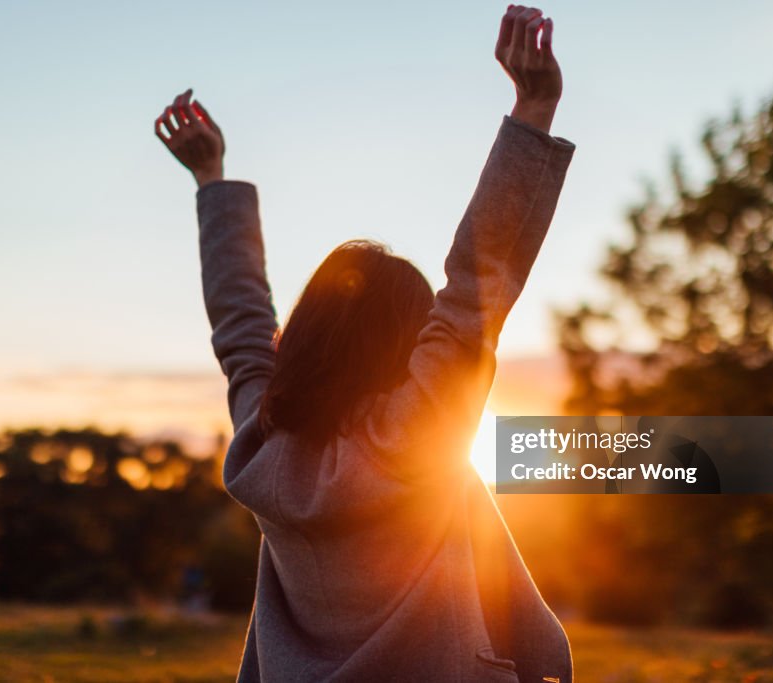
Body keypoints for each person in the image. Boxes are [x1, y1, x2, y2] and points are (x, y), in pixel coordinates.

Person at [156, 6, 575, 681]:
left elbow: (241, 329)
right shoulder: (413, 437)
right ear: (406, 349)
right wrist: (533, 107)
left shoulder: (262, 448)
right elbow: (474, 291)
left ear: (302, 341)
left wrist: (212, 180)